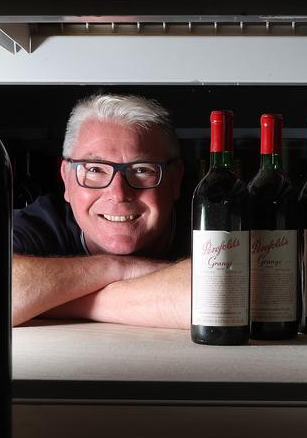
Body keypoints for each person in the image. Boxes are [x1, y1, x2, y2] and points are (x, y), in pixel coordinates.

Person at [12, 93, 190, 328]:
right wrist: (118, 267)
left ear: (175, 180)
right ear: (66, 177)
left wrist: (49, 301)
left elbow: (219, 294)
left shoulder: (212, 220)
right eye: (95, 169)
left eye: (141, 170)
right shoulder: (41, 222)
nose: (118, 193)